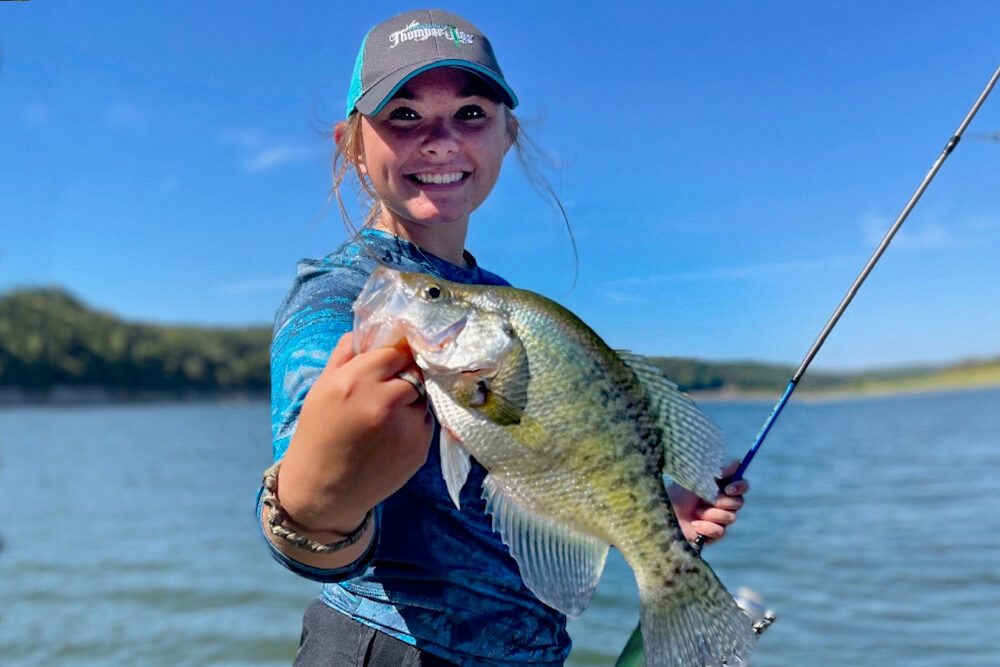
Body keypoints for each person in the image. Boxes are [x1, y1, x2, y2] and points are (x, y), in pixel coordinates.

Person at [258, 9, 750, 666]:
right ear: (351, 143)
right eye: (404, 115)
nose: (439, 139)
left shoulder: (498, 306)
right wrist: (319, 500)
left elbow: (529, 474)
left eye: (470, 113)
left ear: (507, 134)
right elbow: (306, 526)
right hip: (395, 649)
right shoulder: (338, 295)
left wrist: (651, 516)